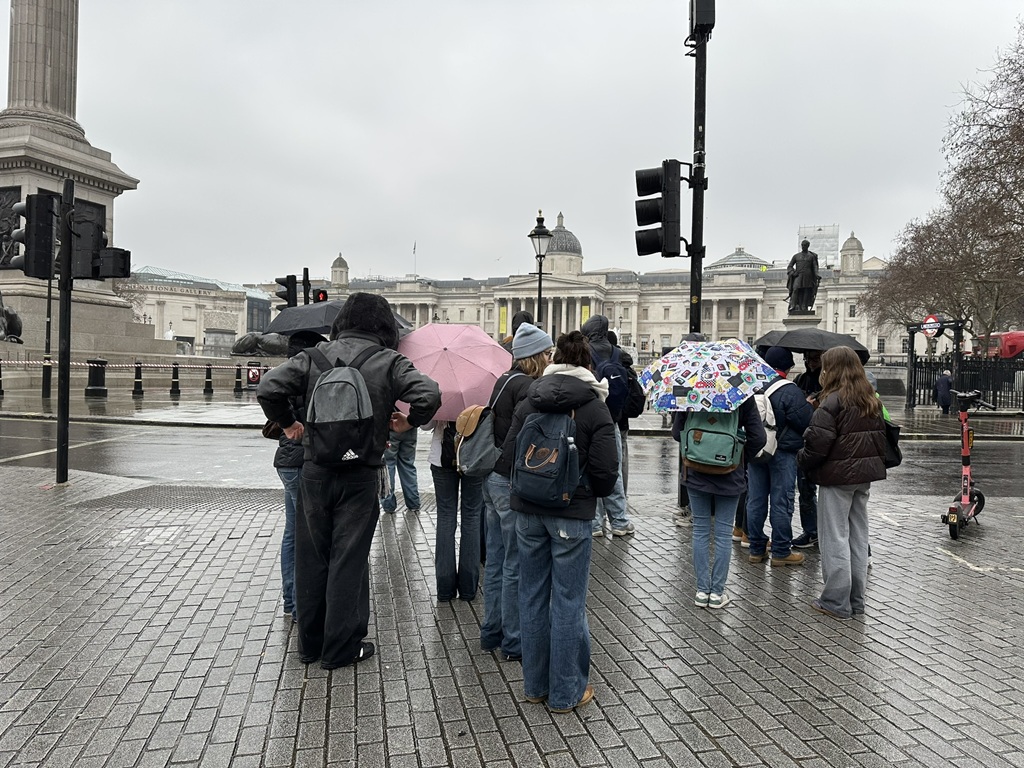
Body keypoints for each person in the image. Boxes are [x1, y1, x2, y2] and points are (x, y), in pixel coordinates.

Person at [257, 293, 441, 669]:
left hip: (315, 470)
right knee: (348, 559)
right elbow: (429, 394)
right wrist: (409, 421)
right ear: (384, 326)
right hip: (360, 473)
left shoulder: (313, 357)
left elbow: (268, 387)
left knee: (312, 556)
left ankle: (310, 645)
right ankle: (341, 648)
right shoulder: (389, 361)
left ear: (342, 322)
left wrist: (290, 424)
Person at [501, 330, 619, 713]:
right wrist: (587, 493)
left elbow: (507, 457)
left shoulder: (530, 399)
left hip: (528, 510)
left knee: (531, 595)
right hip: (571, 513)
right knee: (568, 601)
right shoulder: (594, 406)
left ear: (554, 359)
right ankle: (566, 692)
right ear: (587, 363)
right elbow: (606, 472)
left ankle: (535, 685)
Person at [480, 322, 553, 663]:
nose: (550, 358)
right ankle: (513, 640)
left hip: (491, 476)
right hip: (509, 478)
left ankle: (491, 631)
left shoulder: (503, 380)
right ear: (534, 356)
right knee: (515, 564)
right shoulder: (528, 387)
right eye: (546, 353)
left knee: (495, 560)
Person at [798, 347, 887, 620]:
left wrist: (802, 458)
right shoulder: (870, 399)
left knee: (834, 537)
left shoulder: (832, 401)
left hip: (837, 477)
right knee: (858, 537)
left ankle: (835, 601)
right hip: (864, 476)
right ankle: (856, 600)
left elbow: (817, 445)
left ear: (832, 369)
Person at [672, 397, 766, 609]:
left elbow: (677, 433)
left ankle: (701, 591)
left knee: (700, 530)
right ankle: (716, 593)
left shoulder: (691, 391)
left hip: (695, 469)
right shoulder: (741, 395)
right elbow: (758, 437)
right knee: (723, 534)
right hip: (730, 473)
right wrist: (738, 456)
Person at [745, 346, 814, 567]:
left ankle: (756, 549)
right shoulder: (790, 390)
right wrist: (808, 406)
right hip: (783, 452)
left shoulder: (753, 386)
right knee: (781, 501)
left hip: (757, 450)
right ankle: (781, 551)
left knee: (755, 500)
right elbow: (805, 423)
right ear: (789, 366)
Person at [581, 314, 634, 537]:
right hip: (612, 418)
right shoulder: (619, 353)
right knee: (613, 470)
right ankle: (619, 521)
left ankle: (595, 523)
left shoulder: (585, 352)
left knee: (589, 469)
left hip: (588, 416)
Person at [426, 418, 485, 602]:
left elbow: (425, 425)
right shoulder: (482, 398)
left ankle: (445, 589)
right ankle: (468, 589)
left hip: (442, 457)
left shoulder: (442, 397)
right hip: (476, 455)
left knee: (445, 517)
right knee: (472, 518)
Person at [792, 350, 822, 549]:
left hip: (820, 438)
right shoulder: (801, 379)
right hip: (804, 438)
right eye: (807, 358)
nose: (810, 362)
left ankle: (822, 532)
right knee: (805, 488)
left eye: (815, 358)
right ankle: (811, 531)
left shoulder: (827, 381)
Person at [381, 428, 420, 514]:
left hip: (389, 429)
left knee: (388, 466)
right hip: (410, 427)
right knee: (407, 465)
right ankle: (413, 503)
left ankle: (388, 504)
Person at [786, 240, 820, 314]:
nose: (803, 247)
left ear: (808, 246)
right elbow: (790, 266)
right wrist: (792, 273)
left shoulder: (811, 256)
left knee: (806, 290)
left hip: (808, 275)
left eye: (805, 245)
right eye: (802, 245)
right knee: (795, 289)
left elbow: (815, 266)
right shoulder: (796, 256)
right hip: (798, 275)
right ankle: (793, 305)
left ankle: (804, 306)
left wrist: (816, 274)